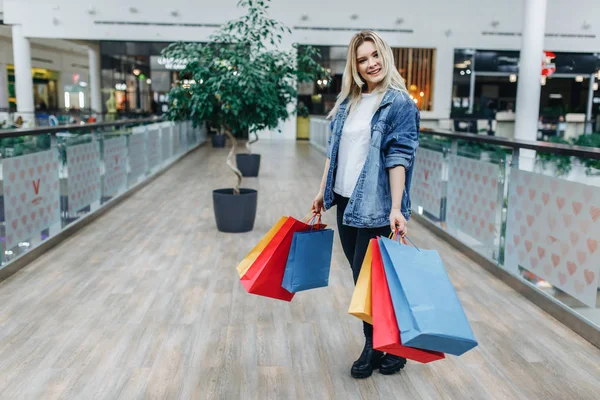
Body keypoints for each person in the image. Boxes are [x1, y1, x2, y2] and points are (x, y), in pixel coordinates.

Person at [311, 30, 420, 379]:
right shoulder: (349, 104)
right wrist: (321, 192)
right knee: (367, 281)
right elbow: (335, 153)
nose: (370, 63)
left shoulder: (399, 103)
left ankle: (374, 347)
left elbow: (399, 158)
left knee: (366, 282)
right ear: (354, 66)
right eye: (362, 59)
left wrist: (397, 208)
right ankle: (390, 346)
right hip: (345, 202)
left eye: (375, 55)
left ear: (385, 56)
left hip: (376, 206)